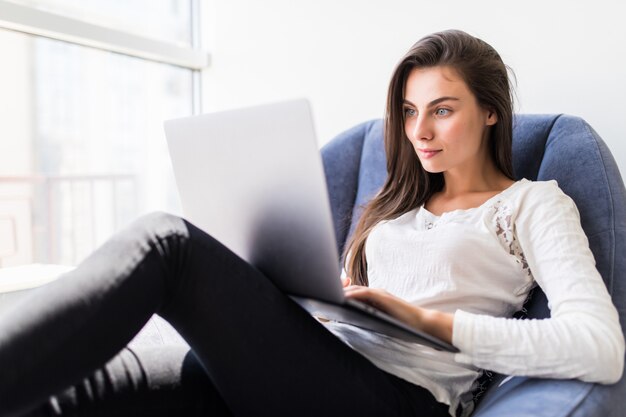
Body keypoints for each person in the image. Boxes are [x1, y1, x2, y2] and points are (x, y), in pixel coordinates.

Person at [0, 29, 623, 417]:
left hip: (401, 398)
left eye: (442, 110)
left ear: (490, 112)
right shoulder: (397, 205)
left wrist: (424, 320)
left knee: (171, 245)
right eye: (409, 112)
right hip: (322, 361)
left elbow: (600, 348)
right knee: (85, 392)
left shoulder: (531, 204)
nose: (419, 132)